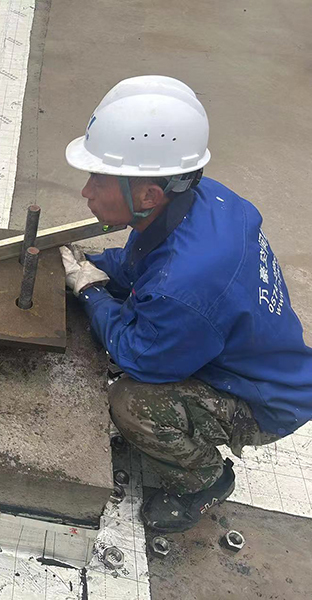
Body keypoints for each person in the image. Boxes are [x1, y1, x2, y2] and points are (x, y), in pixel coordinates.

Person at [59, 76, 312, 532]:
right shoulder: (204, 199)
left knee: (131, 401)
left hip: (262, 401)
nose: (86, 192)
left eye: (98, 178)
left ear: (148, 195)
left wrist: (91, 292)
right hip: (248, 350)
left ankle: (203, 480)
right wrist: (94, 264)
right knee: (126, 310)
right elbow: (143, 263)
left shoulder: (185, 286)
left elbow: (139, 355)